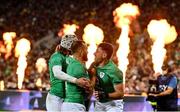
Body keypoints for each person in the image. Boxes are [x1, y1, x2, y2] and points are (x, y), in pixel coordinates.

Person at [46, 34, 90, 111]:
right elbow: (57, 73)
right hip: (56, 97)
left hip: (66, 98)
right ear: (70, 45)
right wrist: (76, 81)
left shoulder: (69, 58)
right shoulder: (56, 56)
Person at [88, 42, 124, 112]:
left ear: (104, 55)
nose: (94, 53)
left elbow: (120, 94)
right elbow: (91, 82)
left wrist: (106, 95)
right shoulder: (94, 65)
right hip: (99, 103)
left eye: (97, 52)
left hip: (113, 105)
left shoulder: (114, 71)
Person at [61, 40, 92, 112]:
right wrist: (93, 77)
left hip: (68, 104)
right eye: (86, 49)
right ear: (81, 50)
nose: (87, 52)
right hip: (75, 106)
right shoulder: (79, 67)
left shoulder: (71, 63)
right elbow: (89, 90)